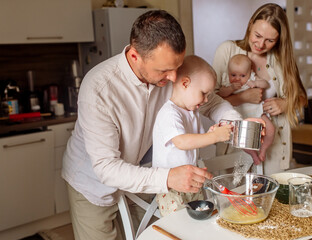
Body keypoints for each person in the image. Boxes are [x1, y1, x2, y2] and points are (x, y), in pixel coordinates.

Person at [62, 10, 241, 240]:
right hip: (92, 181)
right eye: (165, 71)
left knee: (156, 234)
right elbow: (106, 167)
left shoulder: (170, 71)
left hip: (140, 173)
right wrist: (168, 178)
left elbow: (213, 103)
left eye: (177, 67)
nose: (175, 78)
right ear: (135, 56)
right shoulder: (98, 89)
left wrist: (237, 124)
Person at [213, 3, 308, 175]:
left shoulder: (282, 60)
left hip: (274, 147)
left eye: (270, 40)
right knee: (235, 198)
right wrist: (243, 98)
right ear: (250, 25)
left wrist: (286, 103)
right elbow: (208, 102)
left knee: (274, 197)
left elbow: (302, 98)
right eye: (257, 35)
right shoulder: (227, 50)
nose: (261, 44)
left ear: (279, 40)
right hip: (235, 146)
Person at [152, 55, 232, 216]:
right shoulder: (169, 113)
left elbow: (195, 141)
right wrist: (214, 137)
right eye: (203, 93)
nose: (206, 100)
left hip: (191, 180)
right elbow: (181, 142)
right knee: (177, 224)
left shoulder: (191, 111)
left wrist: (211, 133)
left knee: (195, 220)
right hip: (171, 187)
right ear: (185, 83)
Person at [217, 54, 275, 164]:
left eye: (243, 75)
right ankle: (253, 154)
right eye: (233, 74)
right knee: (242, 139)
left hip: (256, 111)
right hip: (240, 115)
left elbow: (266, 84)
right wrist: (231, 88)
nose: (237, 78)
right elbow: (221, 94)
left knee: (271, 129)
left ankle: (263, 149)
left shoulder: (252, 78)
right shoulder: (227, 81)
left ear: (250, 73)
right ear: (228, 72)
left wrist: (255, 83)